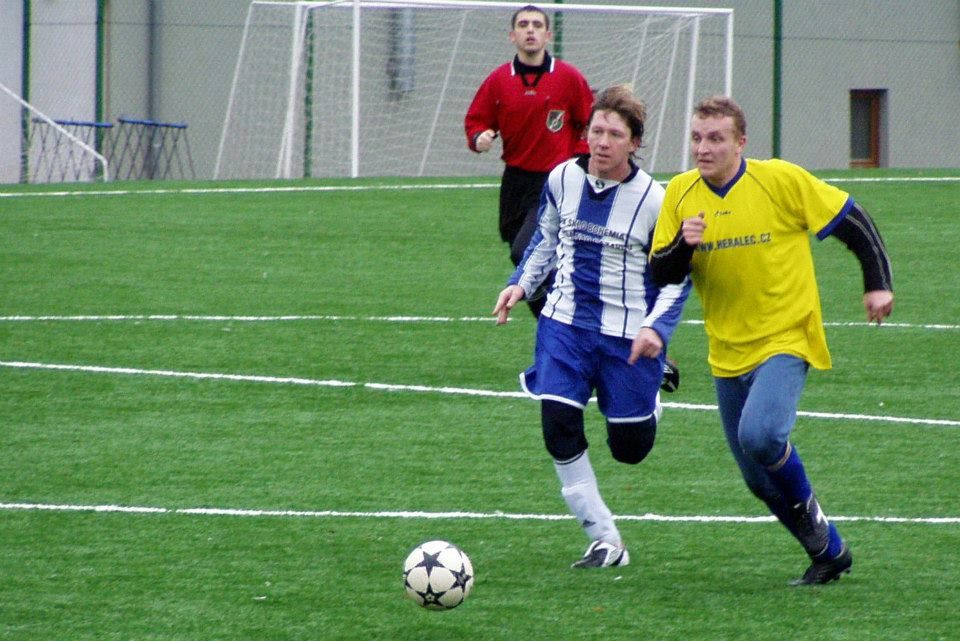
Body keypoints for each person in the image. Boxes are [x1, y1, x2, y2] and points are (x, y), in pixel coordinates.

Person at [649, 95, 894, 585]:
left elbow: (853, 221)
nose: (703, 148)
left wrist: (877, 282)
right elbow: (661, 272)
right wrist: (682, 244)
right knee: (758, 479)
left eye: (716, 138)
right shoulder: (679, 192)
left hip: (787, 335)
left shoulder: (779, 179)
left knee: (761, 436)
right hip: (726, 350)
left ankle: (818, 528)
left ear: (741, 142)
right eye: (696, 138)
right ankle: (828, 551)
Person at [493, 85, 691, 568]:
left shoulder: (655, 201)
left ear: (634, 143)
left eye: (614, 135)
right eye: (596, 131)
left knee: (630, 449)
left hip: (627, 337)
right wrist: (520, 284)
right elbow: (545, 238)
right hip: (564, 325)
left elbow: (677, 278)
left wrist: (657, 330)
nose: (602, 142)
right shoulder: (562, 178)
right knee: (558, 426)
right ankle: (606, 541)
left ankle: (651, 391)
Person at [465, 4, 594, 317]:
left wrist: (580, 157)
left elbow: (590, 122)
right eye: (523, 25)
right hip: (515, 180)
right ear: (513, 35)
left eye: (537, 25)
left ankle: (561, 319)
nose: (530, 30)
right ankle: (556, 319)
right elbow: (476, 120)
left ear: (548, 35)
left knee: (525, 251)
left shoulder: (568, 78)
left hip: (553, 181)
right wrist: (479, 137)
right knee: (521, 254)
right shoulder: (499, 80)